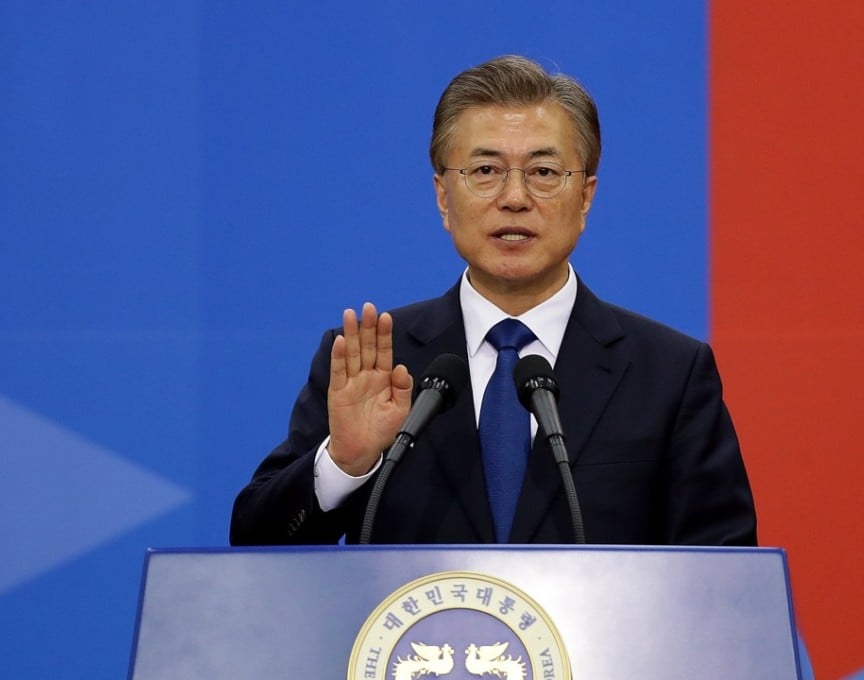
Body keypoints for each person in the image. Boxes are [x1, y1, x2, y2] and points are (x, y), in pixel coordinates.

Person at [229, 55, 756, 547]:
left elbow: (724, 582)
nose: (514, 197)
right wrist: (345, 462)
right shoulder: (373, 361)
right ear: (442, 196)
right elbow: (256, 546)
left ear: (586, 196)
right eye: (484, 171)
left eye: (544, 172)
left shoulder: (668, 374)